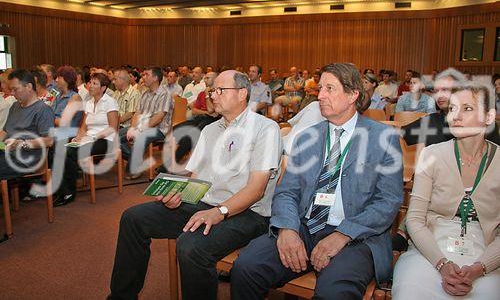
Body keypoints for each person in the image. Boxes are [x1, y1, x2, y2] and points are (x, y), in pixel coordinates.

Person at [231, 63, 403, 300]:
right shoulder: (308, 137)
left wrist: (344, 234)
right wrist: (288, 229)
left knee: (334, 292)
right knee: (246, 268)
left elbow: (388, 201)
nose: (320, 96)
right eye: (320, 88)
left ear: (353, 94)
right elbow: (286, 192)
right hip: (305, 225)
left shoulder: (383, 138)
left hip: (357, 235)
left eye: (329, 89)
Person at [108, 70, 283, 300]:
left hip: (247, 213)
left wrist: (219, 212)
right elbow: (196, 175)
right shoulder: (210, 130)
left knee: (191, 246)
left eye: (221, 90)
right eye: (213, 91)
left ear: (242, 94)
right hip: (205, 203)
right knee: (133, 218)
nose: (213, 96)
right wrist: (178, 194)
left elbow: (256, 189)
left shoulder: (265, 129)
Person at [392, 83, 500, 299]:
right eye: (452, 109)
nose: (456, 116)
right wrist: (442, 263)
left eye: (467, 109)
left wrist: (480, 267)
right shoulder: (432, 155)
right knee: (410, 292)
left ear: (489, 117)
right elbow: (414, 219)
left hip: (486, 251)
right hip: (430, 248)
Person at [52, 72, 119, 206]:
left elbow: (113, 127)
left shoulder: (110, 102)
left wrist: (94, 137)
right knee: (59, 149)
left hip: (106, 140)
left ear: (103, 88)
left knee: (70, 153)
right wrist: (77, 138)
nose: (90, 86)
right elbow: (83, 127)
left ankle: (68, 192)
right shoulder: (88, 103)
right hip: (89, 138)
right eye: (90, 83)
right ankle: (60, 188)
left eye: (95, 83)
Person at [402, 69, 499, 147]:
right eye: (436, 91)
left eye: (445, 89)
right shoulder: (431, 121)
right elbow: (400, 134)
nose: (439, 95)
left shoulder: (481, 122)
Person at [0, 69, 54, 179]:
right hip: (8, 154)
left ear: (29, 87)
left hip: (25, 160)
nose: (12, 93)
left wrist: (23, 143)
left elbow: (49, 141)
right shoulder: (15, 106)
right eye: (11, 90)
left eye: (15, 89)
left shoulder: (42, 110)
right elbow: (5, 131)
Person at [119, 66, 172, 179]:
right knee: (114, 136)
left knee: (142, 137)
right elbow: (137, 113)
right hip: (140, 127)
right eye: (143, 75)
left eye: (146, 75)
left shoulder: (164, 93)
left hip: (159, 129)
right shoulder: (144, 93)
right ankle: (136, 160)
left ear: (155, 78)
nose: (143, 77)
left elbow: (159, 117)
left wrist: (141, 129)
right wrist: (133, 128)